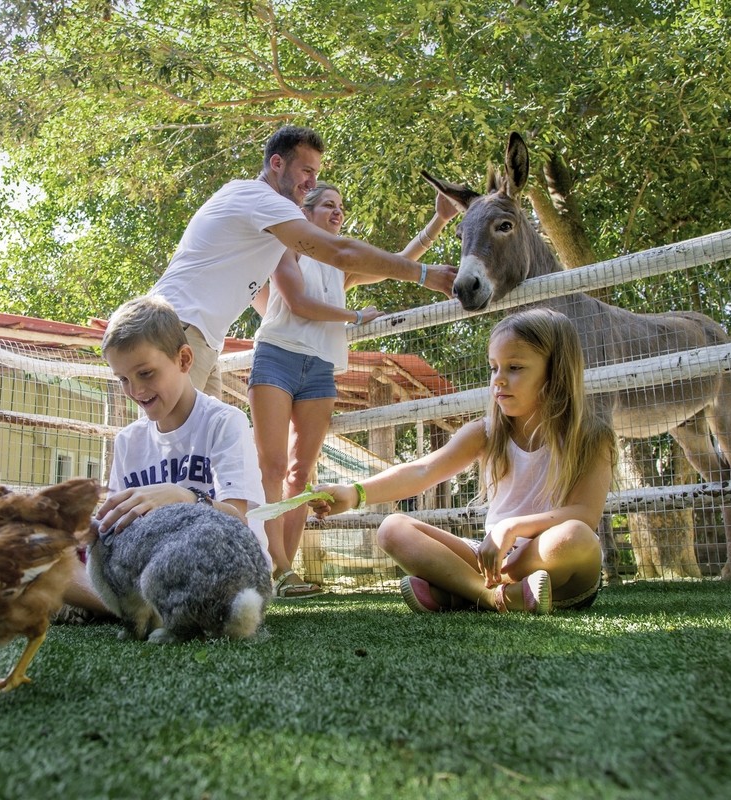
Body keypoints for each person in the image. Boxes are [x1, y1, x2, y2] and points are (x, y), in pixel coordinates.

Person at [308, 308, 616, 614]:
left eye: (515, 367)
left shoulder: (591, 435)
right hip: (494, 561)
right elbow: (423, 470)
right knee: (392, 528)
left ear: (556, 371)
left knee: (576, 537)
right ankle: (492, 598)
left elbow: (584, 514)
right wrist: (354, 493)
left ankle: (460, 592)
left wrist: (511, 527)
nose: (499, 380)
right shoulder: (486, 432)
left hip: (557, 567)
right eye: (494, 368)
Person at [250, 182, 460, 598]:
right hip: (277, 357)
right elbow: (297, 303)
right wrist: (355, 316)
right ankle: (271, 566)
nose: (337, 212)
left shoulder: (340, 268)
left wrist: (440, 218)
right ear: (305, 213)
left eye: (340, 207)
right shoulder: (284, 246)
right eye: (328, 204)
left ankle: (286, 575)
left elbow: (399, 262)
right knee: (270, 469)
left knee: (298, 474)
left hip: (321, 370)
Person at [149, 125, 457, 398]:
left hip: (203, 340)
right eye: (306, 171)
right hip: (181, 328)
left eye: (316, 174)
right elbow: (338, 256)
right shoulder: (263, 202)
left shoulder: (265, 224)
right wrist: (420, 277)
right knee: (168, 451)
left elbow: (369, 261)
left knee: (199, 455)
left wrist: (438, 223)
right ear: (277, 163)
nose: (312, 182)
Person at [59, 295, 269, 617]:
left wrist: (182, 497)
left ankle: (115, 608)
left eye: (145, 373)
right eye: (123, 379)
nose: (136, 391)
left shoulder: (224, 423)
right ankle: (130, 606)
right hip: (154, 568)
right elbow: (116, 526)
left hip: (224, 569)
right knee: (50, 555)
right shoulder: (129, 440)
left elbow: (239, 520)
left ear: (184, 360)